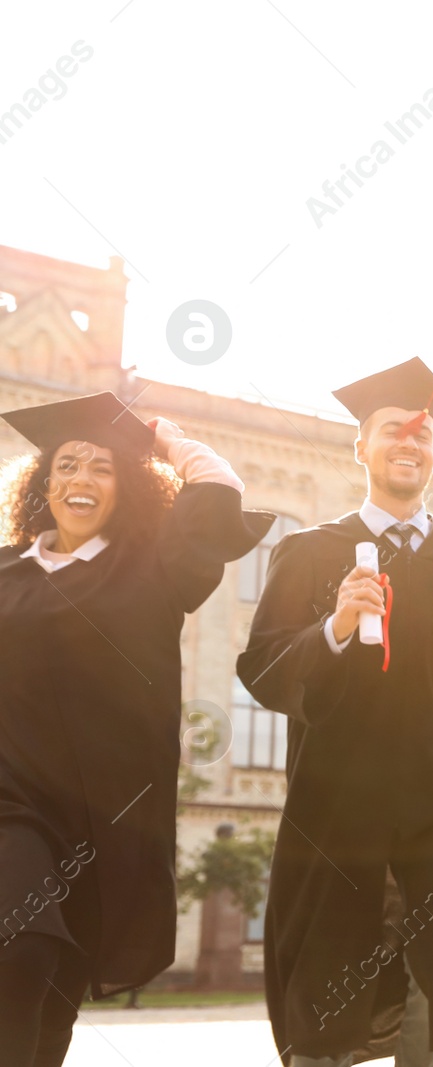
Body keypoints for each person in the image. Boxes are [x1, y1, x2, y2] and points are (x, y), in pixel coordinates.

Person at [236, 358, 433, 1067]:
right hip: (336, 805)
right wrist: (335, 627)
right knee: (326, 988)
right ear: (361, 447)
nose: (410, 443)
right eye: (391, 431)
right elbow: (261, 667)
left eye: (424, 434)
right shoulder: (310, 551)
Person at [0, 393, 273, 1067]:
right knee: (24, 942)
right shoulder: (4, 574)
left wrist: (164, 438)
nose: (81, 480)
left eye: (102, 468)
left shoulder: (155, 570)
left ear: (129, 486)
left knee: (57, 992)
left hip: (106, 820)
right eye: (67, 465)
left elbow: (217, 491)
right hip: (13, 805)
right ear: (43, 482)